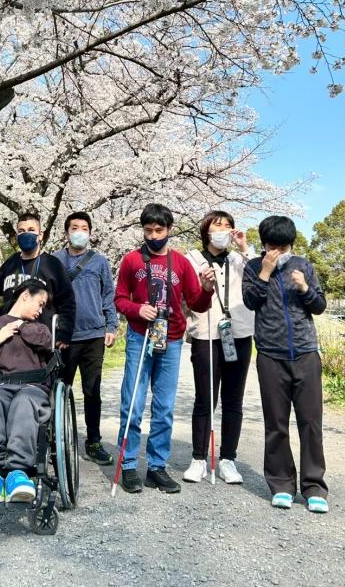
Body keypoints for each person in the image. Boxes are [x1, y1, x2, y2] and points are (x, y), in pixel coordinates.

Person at [115, 203, 216, 494]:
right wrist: (137, 310)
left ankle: (157, 467)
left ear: (169, 230)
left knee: (164, 408)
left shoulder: (182, 263)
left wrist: (207, 289)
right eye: (148, 230)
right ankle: (129, 465)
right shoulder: (132, 261)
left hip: (171, 340)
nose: (153, 235)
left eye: (159, 230)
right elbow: (120, 299)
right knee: (132, 404)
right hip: (139, 338)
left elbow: (197, 303)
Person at [242, 215, 329, 513]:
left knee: (310, 422)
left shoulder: (303, 265)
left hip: (305, 353)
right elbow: (251, 301)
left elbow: (319, 306)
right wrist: (265, 272)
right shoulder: (253, 267)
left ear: (292, 244)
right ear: (264, 244)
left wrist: (305, 288)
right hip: (270, 355)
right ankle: (281, 485)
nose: (278, 251)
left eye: (283, 245)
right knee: (276, 424)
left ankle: (314, 487)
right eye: (271, 245)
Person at [183, 210, 255, 485]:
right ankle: (199, 458)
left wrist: (244, 246)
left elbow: (262, 277)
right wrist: (203, 287)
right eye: (218, 225)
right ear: (206, 230)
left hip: (239, 332)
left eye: (228, 225)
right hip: (206, 333)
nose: (224, 229)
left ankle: (228, 459)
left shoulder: (239, 259)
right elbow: (186, 296)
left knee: (234, 399)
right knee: (205, 398)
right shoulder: (192, 259)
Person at [0, 280, 53, 504]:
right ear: (25, 295)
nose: (40, 310)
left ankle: (18, 473)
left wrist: (19, 325)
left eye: (44, 306)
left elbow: (46, 343)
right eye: (39, 303)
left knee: (23, 402)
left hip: (32, 389)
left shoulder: (39, 328)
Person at [53, 211, 118, 466]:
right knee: (60, 389)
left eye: (84, 228)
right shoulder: (55, 261)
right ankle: (57, 440)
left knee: (92, 391)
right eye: (74, 227)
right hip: (65, 337)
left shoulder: (99, 261)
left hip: (93, 335)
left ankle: (93, 441)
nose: (79, 231)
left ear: (90, 233)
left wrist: (111, 326)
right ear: (66, 232)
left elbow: (108, 296)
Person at [0, 211, 76, 347]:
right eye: (21, 231)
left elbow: (67, 301)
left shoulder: (53, 265)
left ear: (40, 235)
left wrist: (65, 333)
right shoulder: (11, 262)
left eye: (31, 230)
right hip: (11, 339)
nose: (26, 234)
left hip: (40, 341)